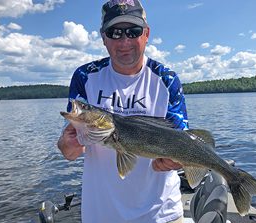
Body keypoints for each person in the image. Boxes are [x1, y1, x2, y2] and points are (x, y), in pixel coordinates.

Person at [57, 0, 188, 222]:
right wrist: (67, 146)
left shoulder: (167, 80)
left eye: (133, 31)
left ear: (146, 34)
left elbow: (182, 143)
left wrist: (175, 162)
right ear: (103, 37)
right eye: (115, 32)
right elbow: (70, 151)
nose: (124, 40)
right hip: (101, 214)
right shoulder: (85, 76)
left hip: (162, 214)